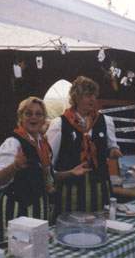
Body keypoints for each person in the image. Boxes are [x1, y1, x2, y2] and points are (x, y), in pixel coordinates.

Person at [46, 76, 122, 216]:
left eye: (94, 95)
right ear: (76, 98)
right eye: (88, 95)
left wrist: (114, 152)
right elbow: (49, 163)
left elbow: (111, 148)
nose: (93, 99)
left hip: (100, 189)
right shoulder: (59, 124)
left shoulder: (105, 121)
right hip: (70, 192)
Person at [0, 96, 56, 233]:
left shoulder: (43, 144)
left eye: (38, 114)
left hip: (39, 206)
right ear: (21, 117)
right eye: (28, 113)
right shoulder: (13, 143)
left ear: (44, 119)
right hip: (17, 210)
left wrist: (71, 172)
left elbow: (46, 176)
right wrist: (14, 166)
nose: (34, 118)